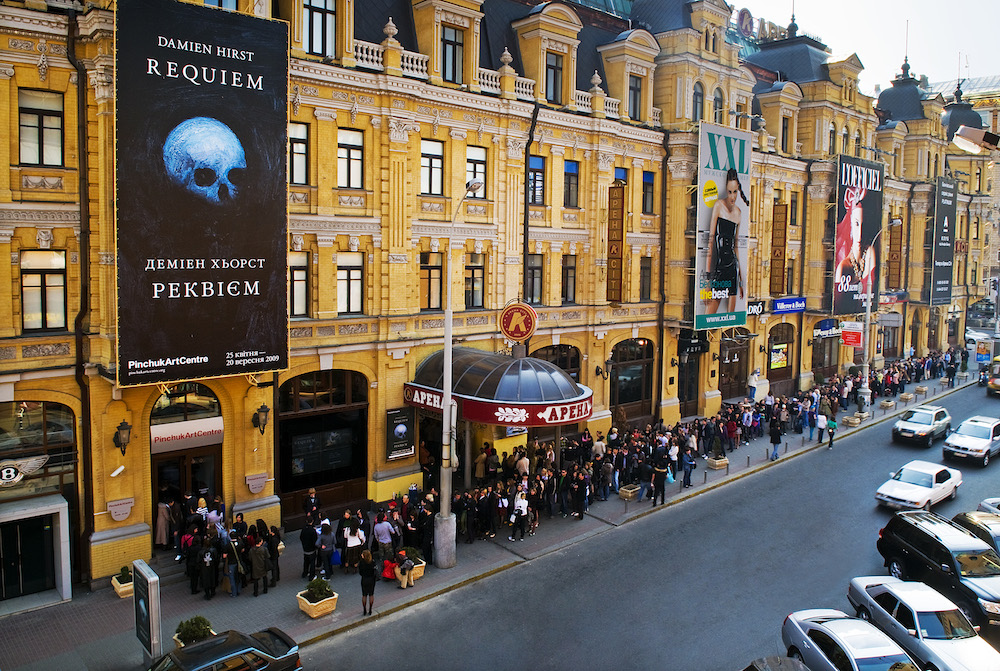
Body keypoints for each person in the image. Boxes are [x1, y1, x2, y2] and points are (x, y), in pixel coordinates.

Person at [705, 167, 749, 315]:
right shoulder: (718, 205)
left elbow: (736, 247)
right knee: (708, 315)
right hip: (719, 267)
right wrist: (707, 281)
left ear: (738, 190)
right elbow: (710, 243)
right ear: (726, 189)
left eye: (735, 192)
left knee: (731, 317)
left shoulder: (739, 212)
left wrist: (741, 282)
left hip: (732, 269)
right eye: (729, 192)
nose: (732, 196)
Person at [834, 185, 875, 299]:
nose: (860, 233)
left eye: (864, 225)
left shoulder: (870, 251)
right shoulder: (844, 266)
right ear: (850, 223)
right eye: (856, 224)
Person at [198, 536, 218, 600]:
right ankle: (213, 591)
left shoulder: (201, 552)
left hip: (204, 568)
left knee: (205, 580)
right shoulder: (213, 550)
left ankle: (207, 594)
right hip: (212, 567)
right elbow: (216, 558)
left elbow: (198, 561)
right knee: (212, 578)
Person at [358, 549, 377, 616]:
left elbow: (360, 572)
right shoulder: (372, 562)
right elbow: (375, 572)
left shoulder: (361, 563)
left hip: (364, 579)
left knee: (364, 595)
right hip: (371, 580)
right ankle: (370, 609)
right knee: (371, 594)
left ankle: (364, 610)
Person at [300, 514, 318, 579]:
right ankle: (311, 576)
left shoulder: (304, 529)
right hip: (311, 549)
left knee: (306, 562)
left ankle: (305, 573)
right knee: (312, 563)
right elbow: (315, 540)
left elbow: (301, 537)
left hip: (305, 549)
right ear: (312, 521)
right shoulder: (312, 531)